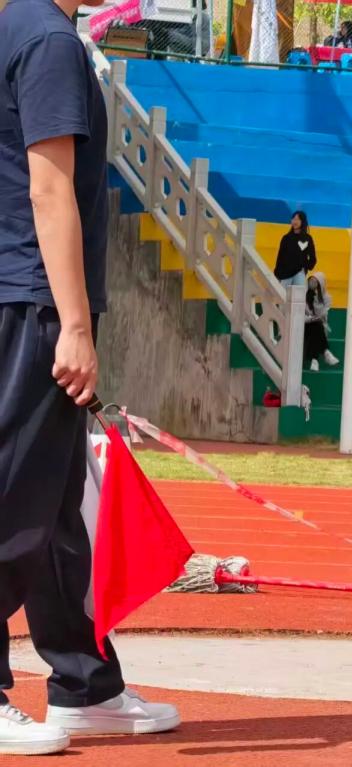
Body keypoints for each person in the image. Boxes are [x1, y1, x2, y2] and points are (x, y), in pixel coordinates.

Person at [0, 0, 180, 754]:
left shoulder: (18, 28)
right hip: (34, 298)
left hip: (22, 290)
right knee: (16, 498)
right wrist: (74, 323)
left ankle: (85, 682)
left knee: (55, 503)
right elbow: (50, 189)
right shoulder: (47, 39)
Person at [304, 272, 339, 371]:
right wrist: (311, 318)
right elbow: (300, 315)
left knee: (316, 326)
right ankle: (325, 352)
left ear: (320, 285)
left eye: (315, 282)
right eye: (311, 281)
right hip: (304, 324)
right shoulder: (303, 295)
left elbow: (323, 316)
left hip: (317, 326)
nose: (312, 283)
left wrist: (316, 300)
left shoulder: (326, 298)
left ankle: (314, 361)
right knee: (315, 325)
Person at [274, 211, 316, 288]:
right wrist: (277, 274)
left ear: (303, 221)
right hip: (285, 274)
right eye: (293, 219)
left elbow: (313, 258)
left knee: (300, 294)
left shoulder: (307, 238)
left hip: (299, 273)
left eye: (298, 219)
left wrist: (305, 266)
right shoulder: (286, 238)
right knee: (283, 294)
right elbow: (280, 257)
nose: (295, 221)